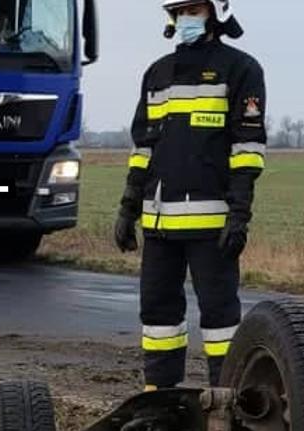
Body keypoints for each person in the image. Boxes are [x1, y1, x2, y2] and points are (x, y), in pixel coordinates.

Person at [113, 0, 265, 390]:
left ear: (216, 12)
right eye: (179, 11)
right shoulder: (157, 74)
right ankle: (158, 398)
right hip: (158, 224)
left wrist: (239, 215)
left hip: (212, 225)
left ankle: (225, 400)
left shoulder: (242, 70)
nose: (185, 19)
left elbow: (247, 148)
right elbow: (143, 147)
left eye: (193, 9)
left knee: (220, 318)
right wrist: (128, 208)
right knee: (158, 315)